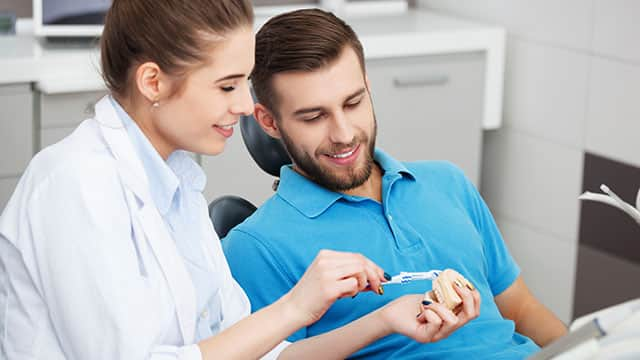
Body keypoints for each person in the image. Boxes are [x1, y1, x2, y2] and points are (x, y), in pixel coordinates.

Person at [0, 1, 478, 359]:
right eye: (227, 86)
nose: (246, 107)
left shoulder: (177, 185)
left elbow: (262, 353)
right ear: (153, 82)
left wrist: (386, 319)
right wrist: (293, 307)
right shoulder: (75, 184)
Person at [222, 8, 568, 359]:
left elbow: (521, 308)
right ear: (269, 122)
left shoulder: (448, 182)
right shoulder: (255, 247)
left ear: (368, 89)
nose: (344, 134)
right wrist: (381, 321)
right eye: (314, 117)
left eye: (353, 102)